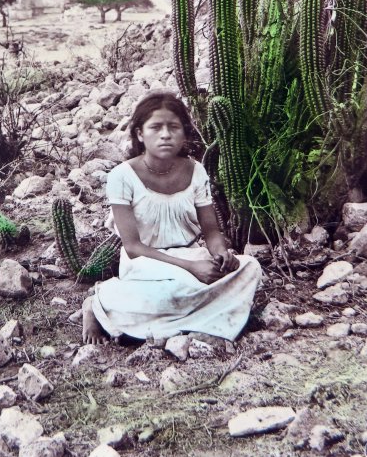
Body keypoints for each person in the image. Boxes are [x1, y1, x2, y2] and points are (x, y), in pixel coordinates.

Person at [82, 91, 262, 345]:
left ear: (184, 134)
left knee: (250, 267)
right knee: (179, 287)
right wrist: (191, 269)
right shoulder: (121, 176)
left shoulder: (196, 171)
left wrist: (221, 254)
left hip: (189, 254)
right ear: (140, 134)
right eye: (156, 127)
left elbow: (210, 230)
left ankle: (166, 320)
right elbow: (133, 247)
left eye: (173, 127)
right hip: (146, 263)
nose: (165, 134)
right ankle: (99, 301)